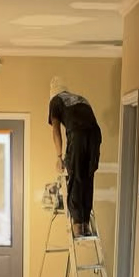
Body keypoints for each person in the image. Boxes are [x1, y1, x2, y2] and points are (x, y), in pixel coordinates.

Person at [48, 77, 102, 237]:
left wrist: (59, 156)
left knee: (76, 175)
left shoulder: (55, 101)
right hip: (95, 135)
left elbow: (55, 130)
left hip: (78, 134)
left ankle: (78, 225)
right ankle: (85, 222)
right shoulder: (80, 98)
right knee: (87, 175)